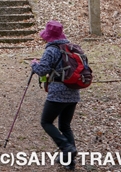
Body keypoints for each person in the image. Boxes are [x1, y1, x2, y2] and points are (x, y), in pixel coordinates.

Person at [31, 20, 79, 170]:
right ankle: (70, 161)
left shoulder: (51, 50)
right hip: (73, 92)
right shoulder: (71, 48)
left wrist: (34, 64)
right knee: (65, 126)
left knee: (46, 122)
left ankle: (66, 147)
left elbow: (42, 71)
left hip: (58, 94)